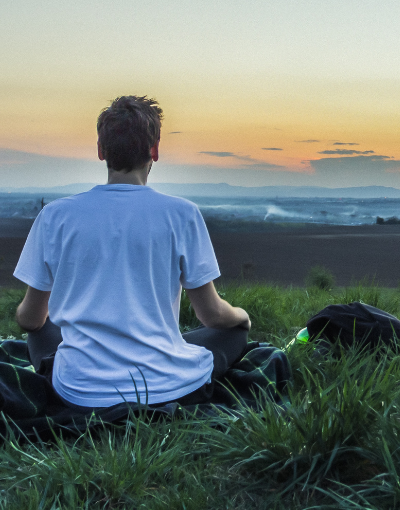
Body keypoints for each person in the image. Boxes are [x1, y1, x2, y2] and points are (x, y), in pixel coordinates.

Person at [13, 95, 251, 409]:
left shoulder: (55, 216)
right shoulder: (182, 214)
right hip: (166, 386)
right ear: (154, 150)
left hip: (79, 390)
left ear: (101, 151)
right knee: (233, 334)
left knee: (41, 329)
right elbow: (211, 316)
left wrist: (45, 321)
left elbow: (29, 320)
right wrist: (242, 317)